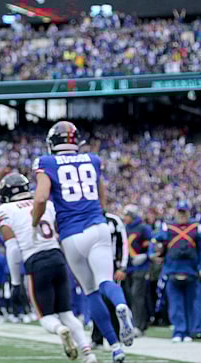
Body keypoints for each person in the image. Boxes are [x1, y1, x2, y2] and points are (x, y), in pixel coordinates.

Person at [32, 121, 135, 363]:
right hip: (97, 227)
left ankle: (115, 346)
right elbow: (102, 196)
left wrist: (35, 223)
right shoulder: (93, 159)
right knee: (106, 282)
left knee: (90, 292)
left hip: (71, 234)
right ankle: (121, 306)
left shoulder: (46, 162)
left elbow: (41, 198)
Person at [0, 172, 96, 363]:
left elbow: (14, 249)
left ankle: (60, 330)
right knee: (67, 313)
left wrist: (16, 282)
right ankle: (88, 353)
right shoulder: (47, 204)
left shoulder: (4, 210)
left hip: (36, 261)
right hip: (57, 257)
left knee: (46, 317)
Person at [154, 200, 201, 342]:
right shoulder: (167, 227)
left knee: (192, 302)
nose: (182, 215)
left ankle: (191, 331)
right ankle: (179, 331)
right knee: (175, 302)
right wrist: (154, 253)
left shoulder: (197, 227)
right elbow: (156, 241)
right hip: (172, 270)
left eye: (184, 212)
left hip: (191, 270)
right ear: (176, 212)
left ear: (188, 212)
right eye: (180, 212)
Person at [92, 211, 128, 347]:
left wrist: (122, 267)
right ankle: (97, 337)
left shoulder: (113, 220)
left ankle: (116, 336)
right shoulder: (86, 218)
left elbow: (123, 244)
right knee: (95, 298)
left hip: (112, 264)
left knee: (111, 302)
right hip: (93, 263)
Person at [122, 204, 152, 337]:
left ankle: (139, 325)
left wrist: (146, 255)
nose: (125, 218)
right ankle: (135, 323)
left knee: (137, 295)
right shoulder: (124, 228)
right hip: (128, 266)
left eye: (127, 215)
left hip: (141, 266)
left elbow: (152, 243)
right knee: (130, 296)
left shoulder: (143, 228)